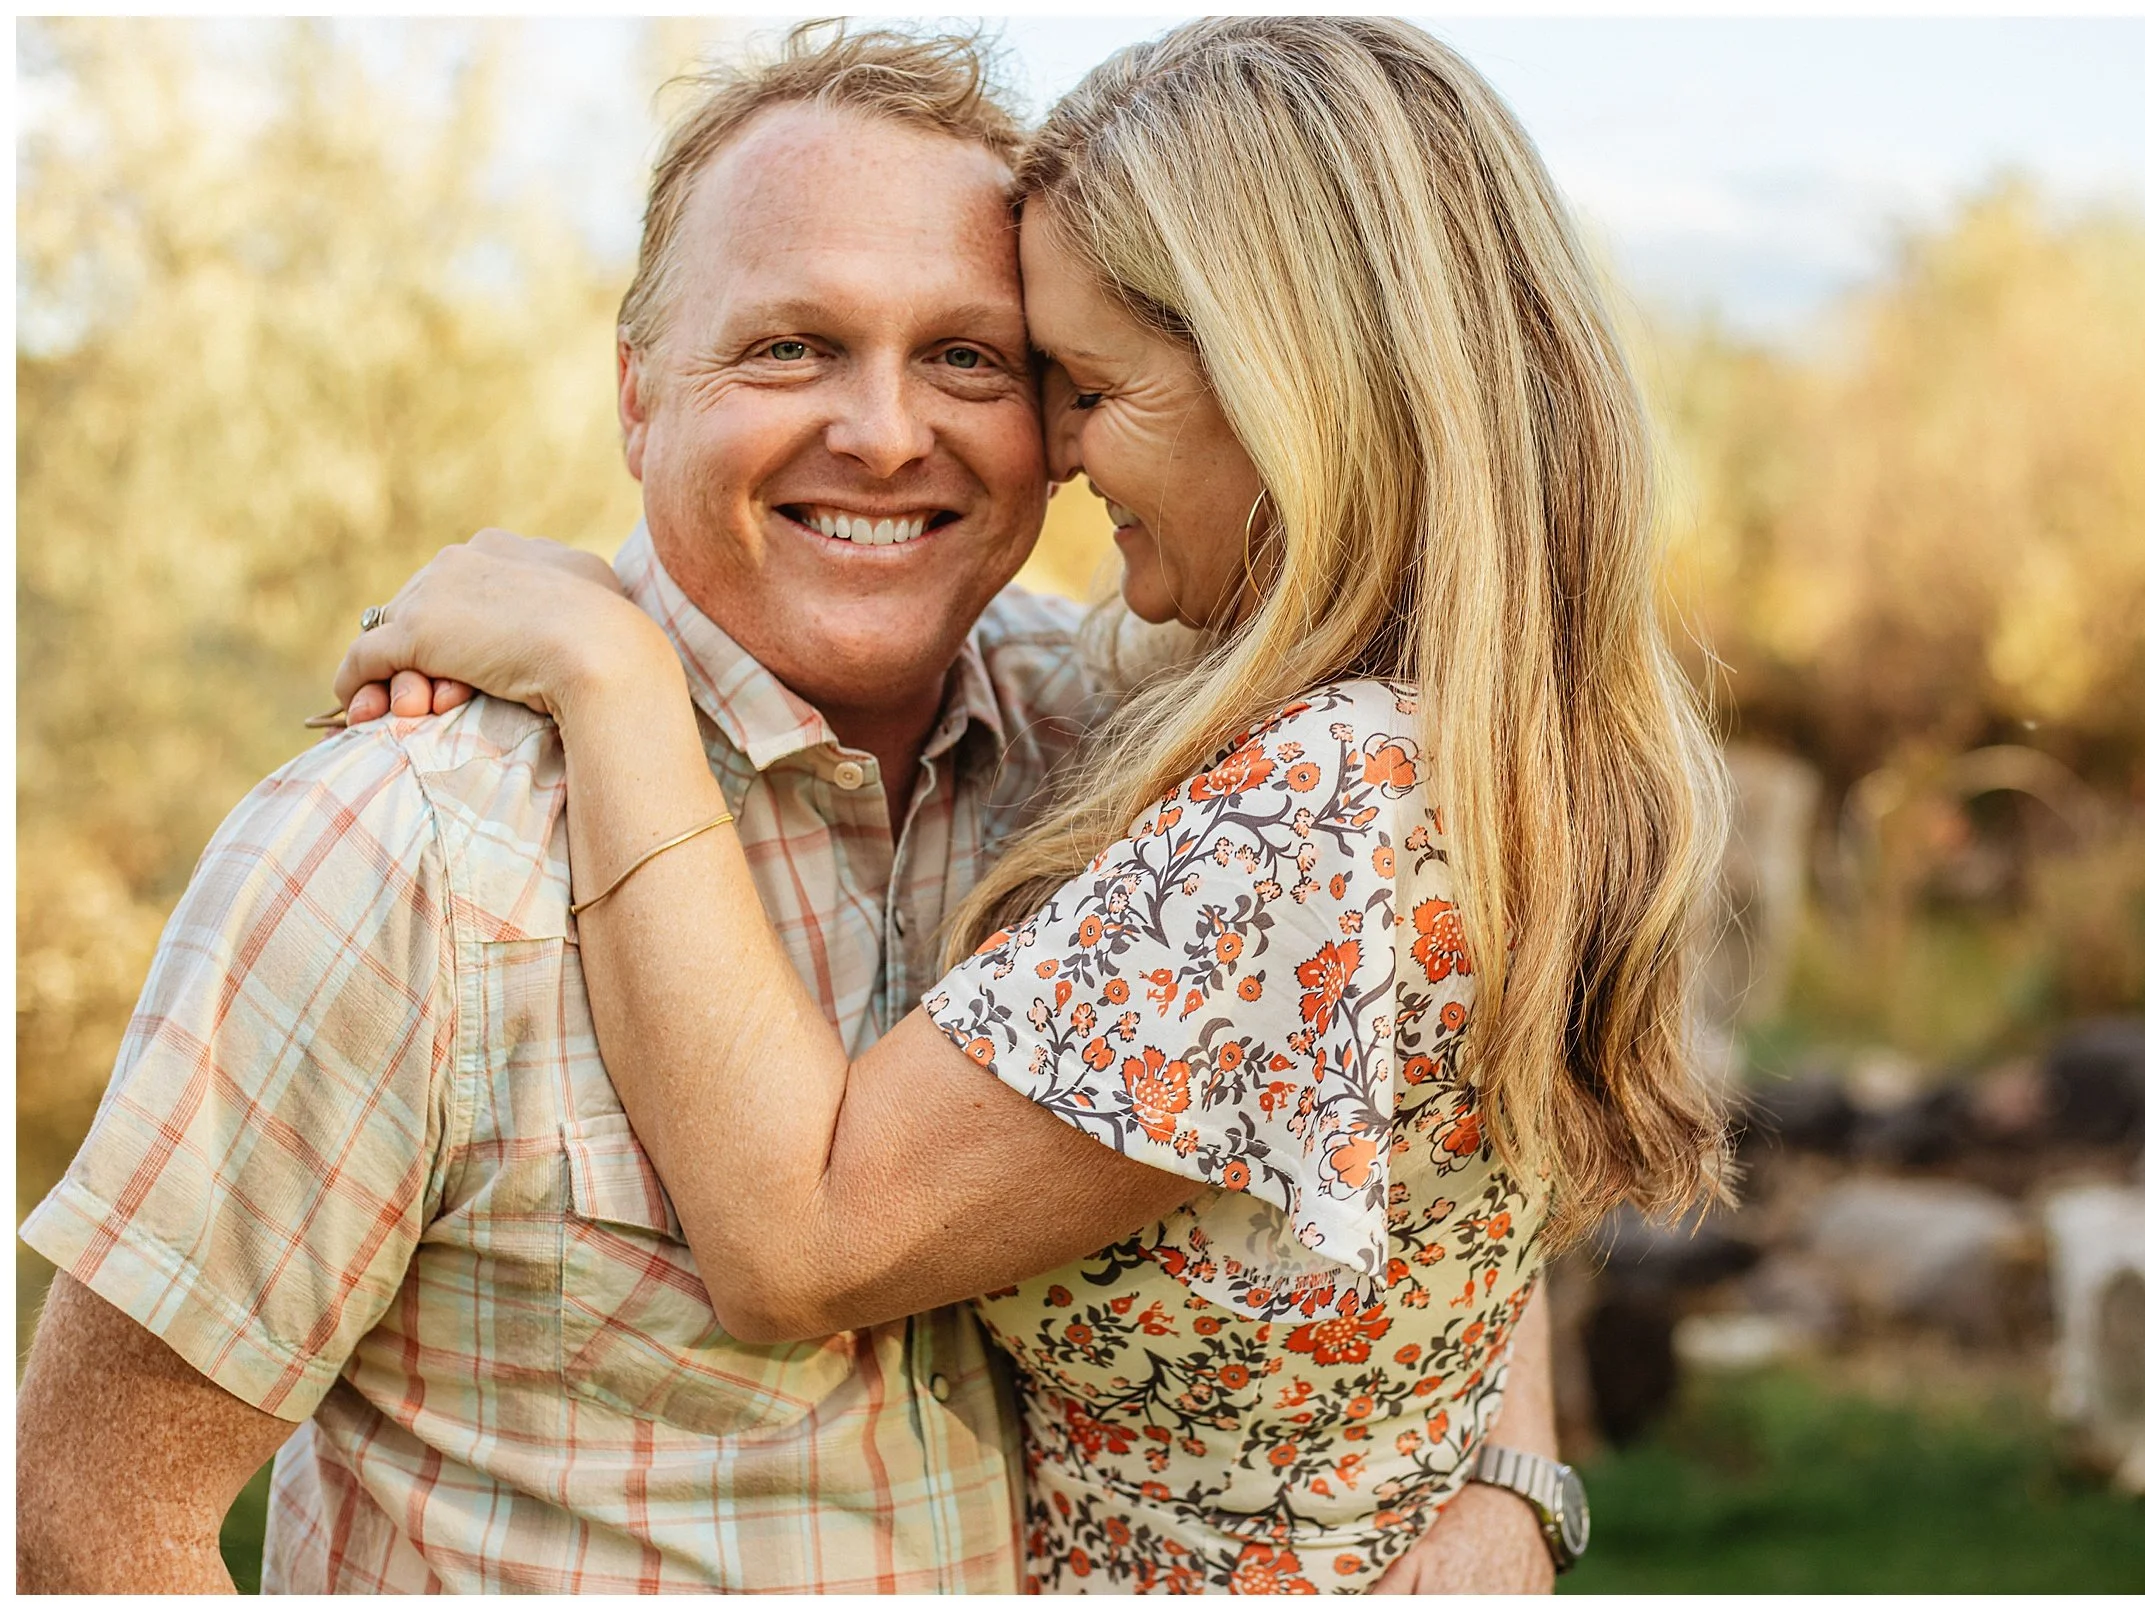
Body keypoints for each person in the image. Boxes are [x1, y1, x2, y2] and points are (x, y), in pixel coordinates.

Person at [14, 23, 1551, 1593]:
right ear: (635, 399)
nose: (885, 433)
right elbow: (85, 1520)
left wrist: (1501, 1468)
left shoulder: (1118, 750)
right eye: (789, 348)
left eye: (972, 358)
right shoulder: (401, 849)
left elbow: (1413, 1078)